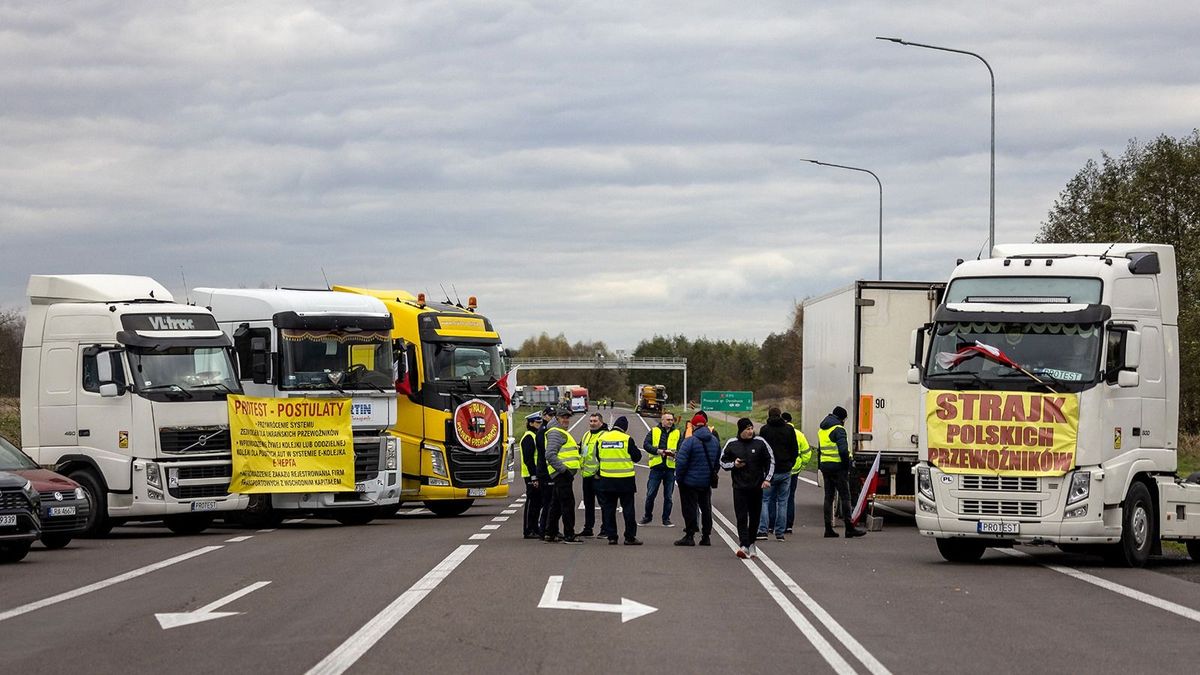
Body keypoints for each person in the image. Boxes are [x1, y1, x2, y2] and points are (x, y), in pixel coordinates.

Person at [720, 418, 774, 559]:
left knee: (755, 517)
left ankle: (752, 543)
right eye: (747, 429)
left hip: (756, 487)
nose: (750, 431)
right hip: (739, 487)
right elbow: (722, 461)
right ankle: (744, 545)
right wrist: (734, 464)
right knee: (741, 517)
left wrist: (767, 479)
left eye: (751, 428)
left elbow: (771, 460)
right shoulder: (732, 444)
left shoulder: (760, 442)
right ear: (741, 430)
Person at [673, 412, 721, 546]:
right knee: (706, 508)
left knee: (690, 508)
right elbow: (717, 461)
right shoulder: (715, 441)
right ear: (705, 425)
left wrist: (680, 478)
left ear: (693, 426)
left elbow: (681, 462)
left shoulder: (690, 441)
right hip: (706, 482)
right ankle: (706, 536)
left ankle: (690, 535)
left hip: (690, 481)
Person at [819, 406, 866, 538]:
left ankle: (828, 529)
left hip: (825, 466)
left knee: (828, 497)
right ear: (841, 418)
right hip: (838, 467)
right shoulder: (839, 429)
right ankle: (849, 528)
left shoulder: (822, 429)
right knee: (845, 497)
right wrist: (846, 466)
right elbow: (844, 451)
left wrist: (820, 465)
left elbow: (820, 450)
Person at [595, 416, 643, 545]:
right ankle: (629, 537)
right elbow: (637, 457)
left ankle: (612, 536)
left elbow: (598, 456)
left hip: (607, 480)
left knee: (609, 509)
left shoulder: (601, 439)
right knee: (628, 509)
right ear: (625, 428)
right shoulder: (627, 439)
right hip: (625, 480)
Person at [757, 407, 798, 541]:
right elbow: (795, 450)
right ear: (780, 415)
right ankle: (780, 532)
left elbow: (761, 450)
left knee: (765, 500)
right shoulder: (789, 429)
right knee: (783, 501)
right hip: (785, 469)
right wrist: (790, 463)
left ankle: (763, 530)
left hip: (769, 471)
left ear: (768, 416)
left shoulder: (764, 430)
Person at [544, 407, 583, 544]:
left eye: (567, 417)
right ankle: (569, 535)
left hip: (562, 475)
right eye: (563, 417)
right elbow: (549, 454)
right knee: (567, 504)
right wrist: (563, 470)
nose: (566, 420)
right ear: (556, 418)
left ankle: (550, 533)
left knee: (556, 505)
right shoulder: (556, 432)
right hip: (561, 475)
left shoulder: (559, 431)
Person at [640, 411, 680, 527]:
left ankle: (666, 519)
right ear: (662, 421)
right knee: (650, 494)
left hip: (669, 469)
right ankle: (647, 516)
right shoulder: (654, 431)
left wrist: (675, 453)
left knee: (668, 496)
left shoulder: (677, 432)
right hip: (656, 468)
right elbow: (646, 445)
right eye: (668, 420)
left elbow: (682, 446)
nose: (670, 422)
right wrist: (658, 451)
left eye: (671, 420)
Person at [781, 412, 812, 534]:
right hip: (795, 470)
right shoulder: (799, 434)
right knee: (790, 497)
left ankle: (775, 525)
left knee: (778, 498)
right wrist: (802, 465)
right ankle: (788, 525)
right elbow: (807, 453)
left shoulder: (780, 433)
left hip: (782, 469)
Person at [578, 412, 608, 537]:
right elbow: (583, 452)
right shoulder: (586, 435)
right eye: (590, 421)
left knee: (604, 504)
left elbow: (606, 456)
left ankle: (605, 529)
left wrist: (599, 473)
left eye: (595, 421)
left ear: (601, 422)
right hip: (586, 475)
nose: (592, 423)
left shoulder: (605, 435)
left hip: (598, 476)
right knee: (588, 503)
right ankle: (588, 528)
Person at [520, 411, 547, 540]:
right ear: (530, 423)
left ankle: (534, 528)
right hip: (531, 475)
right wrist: (534, 476)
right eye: (537, 422)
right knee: (532, 503)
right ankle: (528, 529)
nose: (540, 424)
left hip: (535, 474)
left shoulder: (535, 435)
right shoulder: (529, 437)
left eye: (540, 422)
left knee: (537, 503)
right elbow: (528, 459)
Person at [536, 406, 555, 535]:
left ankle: (549, 529)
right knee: (548, 502)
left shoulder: (548, 429)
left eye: (554, 415)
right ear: (544, 415)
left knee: (551, 502)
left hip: (547, 470)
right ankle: (544, 530)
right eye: (550, 415)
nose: (552, 418)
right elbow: (546, 451)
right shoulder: (543, 431)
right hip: (545, 471)